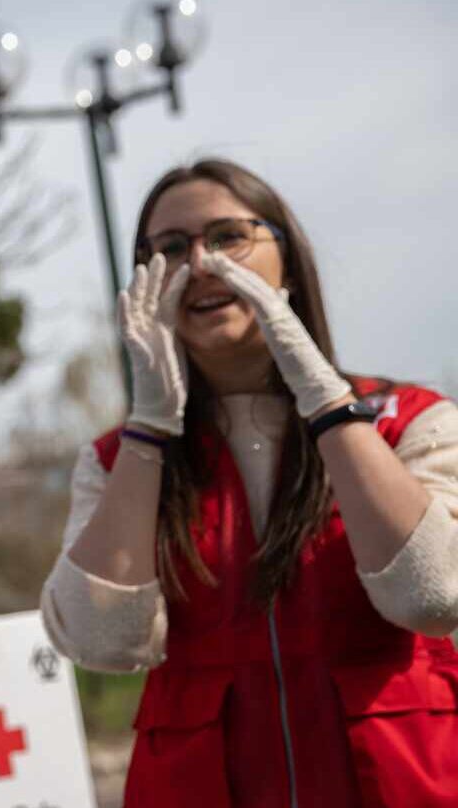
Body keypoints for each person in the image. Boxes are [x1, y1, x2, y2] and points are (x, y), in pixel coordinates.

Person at [40, 158, 458, 806]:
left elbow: (433, 596)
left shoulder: (413, 421)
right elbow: (100, 642)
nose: (202, 264)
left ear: (287, 258)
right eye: (171, 248)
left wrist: (324, 397)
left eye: (229, 236)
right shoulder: (114, 460)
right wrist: (150, 427)